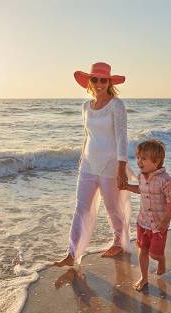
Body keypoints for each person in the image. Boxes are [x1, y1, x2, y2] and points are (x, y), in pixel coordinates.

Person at [54, 62, 131, 267]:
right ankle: (72, 253)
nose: (99, 83)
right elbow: (88, 136)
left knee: (112, 207)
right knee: (81, 208)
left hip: (110, 165)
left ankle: (118, 242)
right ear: (89, 81)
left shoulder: (117, 105)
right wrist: (81, 160)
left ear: (109, 82)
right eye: (94, 79)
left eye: (103, 80)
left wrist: (122, 168)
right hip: (88, 164)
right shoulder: (85, 107)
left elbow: (122, 138)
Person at [124, 140, 171, 291]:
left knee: (154, 254)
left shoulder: (166, 181)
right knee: (142, 250)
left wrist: (166, 220)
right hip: (143, 222)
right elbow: (141, 190)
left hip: (159, 225)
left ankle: (161, 261)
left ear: (157, 161)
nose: (139, 161)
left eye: (144, 158)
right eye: (138, 157)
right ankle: (144, 278)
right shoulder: (141, 177)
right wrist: (127, 187)